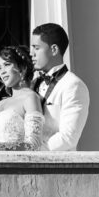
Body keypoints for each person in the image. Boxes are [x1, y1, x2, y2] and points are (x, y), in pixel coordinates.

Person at [29, 23, 89, 151]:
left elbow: (68, 137)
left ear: (54, 50)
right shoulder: (33, 83)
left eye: (36, 48)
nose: (31, 53)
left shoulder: (73, 85)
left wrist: (34, 153)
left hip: (55, 166)